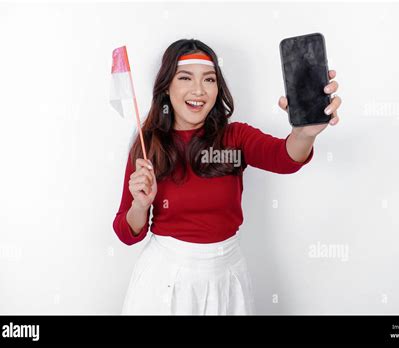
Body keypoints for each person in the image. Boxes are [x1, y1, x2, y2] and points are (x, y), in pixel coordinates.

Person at [113, 38, 342, 315]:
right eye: (185, 77)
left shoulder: (235, 137)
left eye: (209, 80)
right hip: (165, 281)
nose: (198, 89)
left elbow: (285, 158)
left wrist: (304, 134)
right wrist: (140, 204)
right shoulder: (148, 145)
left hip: (228, 277)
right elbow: (127, 233)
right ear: (166, 87)